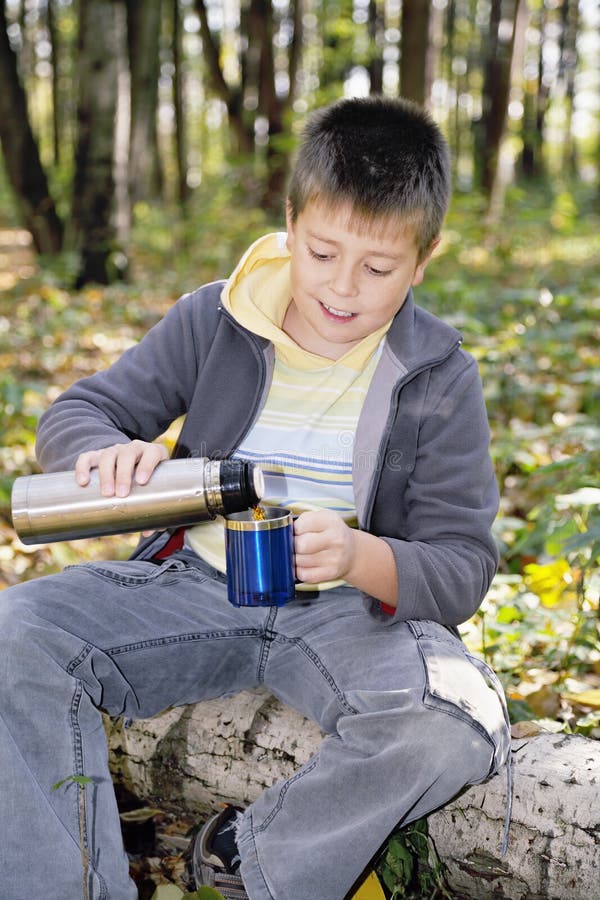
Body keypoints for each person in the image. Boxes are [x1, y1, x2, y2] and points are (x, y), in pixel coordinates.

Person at [0, 95, 511, 900]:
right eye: (320, 253)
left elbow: (462, 566)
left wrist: (356, 553)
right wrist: (107, 453)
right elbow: (77, 413)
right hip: (189, 589)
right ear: (289, 221)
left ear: (423, 259)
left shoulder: (440, 375)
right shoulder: (216, 318)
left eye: (377, 269)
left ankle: (251, 857)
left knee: (452, 720)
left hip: (349, 612)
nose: (342, 288)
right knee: (14, 631)